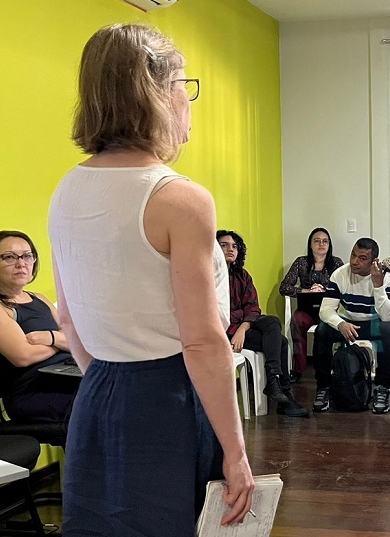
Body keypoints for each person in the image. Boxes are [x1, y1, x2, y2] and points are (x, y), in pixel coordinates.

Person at [49, 23, 253, 533]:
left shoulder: (68, 190)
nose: (189, 99)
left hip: (96, 391)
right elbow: (203, 342)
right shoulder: (179, 199)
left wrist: (113, 374)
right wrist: (237, 452)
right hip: (168, 399)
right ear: (158, 93)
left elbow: (68, 317)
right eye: (185, 85)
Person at [0, 230, 77, 424]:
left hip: (66, 376)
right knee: (101, 403)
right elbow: (24, 356)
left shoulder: (39, 299)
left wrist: (50, 337)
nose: (21, 263)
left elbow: (75, 338)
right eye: (9, 257)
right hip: (31, 393)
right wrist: (60, 339)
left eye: (27, 256)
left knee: (121, 390)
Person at [217, 230, 307, 417]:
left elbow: (253, 307)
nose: (230, 249)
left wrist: (243, 327)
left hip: (242, 328)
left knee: (272, 322)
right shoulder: (210, 277)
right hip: (224, 331)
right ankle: (284, 395)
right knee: (281, 342)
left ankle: (274, 380)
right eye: (224, 245)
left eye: (234, 246)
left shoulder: (242, 276)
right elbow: (218, 312)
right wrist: (241, 323)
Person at [312, 238, 390, 414]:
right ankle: (323, 387)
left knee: (387, 328)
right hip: (347, 323)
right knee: (322, 329)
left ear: (374, 261)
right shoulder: (340, 274)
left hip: (373, 323)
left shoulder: (389, 278)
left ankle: (383, 387)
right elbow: (325, 310)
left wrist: (378, 286)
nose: (354, 261)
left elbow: (387, 316)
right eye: (353, 254)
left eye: (362, 258)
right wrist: (341, 324)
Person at [279, 228, 345, 378]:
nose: (321, 244)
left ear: (329, 245)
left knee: (325, 328)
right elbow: (284, 287)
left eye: (325, 241)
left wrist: (324, 290)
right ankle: (298, 369)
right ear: (310, 244)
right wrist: (307, 291)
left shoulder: (336, 263)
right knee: (296, 322)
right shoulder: (301, 262)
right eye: (317, 240)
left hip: (329, 310)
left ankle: (329, 369)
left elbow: (343, 287)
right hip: (306, 309)